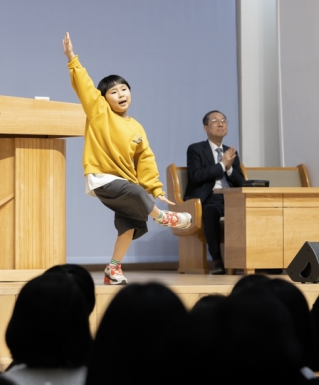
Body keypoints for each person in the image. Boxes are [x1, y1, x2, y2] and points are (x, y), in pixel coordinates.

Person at [63, 32, 192, 285]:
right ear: (104, 99)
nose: (121, 94)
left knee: (129, 224)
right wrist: (71, 58)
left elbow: (145, 159)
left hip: (126, 182)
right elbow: (85, 87)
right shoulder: (99, 113)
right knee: (135, 191)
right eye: (113, 91)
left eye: (124, 89)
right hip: (103, 178)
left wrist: (155, 188)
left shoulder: (136, 127)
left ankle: (112, 269)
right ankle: (163, 218)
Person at [183, 110, 244, 274]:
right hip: (208, 198)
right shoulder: (196, 149)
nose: (221, 124)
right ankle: (217, 261)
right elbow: (196, 176)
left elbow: (241, 182)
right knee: (210, 212)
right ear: (206, 128)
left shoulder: (230, 152)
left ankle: (257, 261)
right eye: (215, 121)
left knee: (253, 212)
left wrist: (229, 168)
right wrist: (221, 165)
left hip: (231, 198)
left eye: (223, 120)